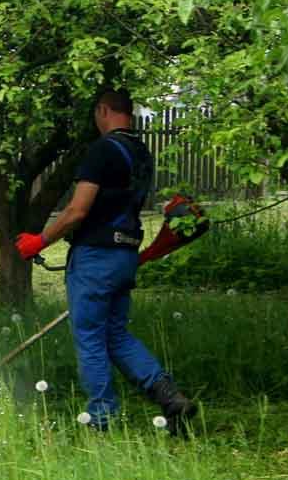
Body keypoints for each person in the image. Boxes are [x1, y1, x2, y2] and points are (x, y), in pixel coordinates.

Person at [15, 89, 197, 433]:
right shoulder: (141, 153)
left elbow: (77, 211)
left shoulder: (102, 151)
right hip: (125, 254)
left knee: (90, 338)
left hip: (96, 258)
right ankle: (170, 396)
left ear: (102, 110)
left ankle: (101, 420)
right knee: (115, 333)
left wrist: (39, 240)